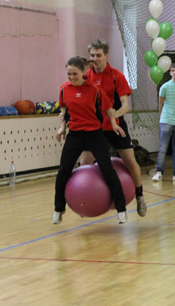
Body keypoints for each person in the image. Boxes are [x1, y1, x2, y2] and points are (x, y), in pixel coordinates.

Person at [53, 56, 128, 225]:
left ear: (83, 72)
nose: (72, 77)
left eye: (75, 74)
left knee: (107, 169)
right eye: (69, 74)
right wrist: (62, 128)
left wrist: (114, 124)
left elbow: (108, 109)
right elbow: (64, 110)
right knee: (63, 171)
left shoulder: (95, 90)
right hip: (75, 135)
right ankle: (58, 209)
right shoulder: (64, 89)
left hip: (94, 134)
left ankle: (121, 209)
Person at [82, 39, 147, 217]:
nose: (95, 59)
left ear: (106, 55)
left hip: (116, 126)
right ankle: (85, 199)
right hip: (94, 128)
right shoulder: (85, 77)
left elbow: (125, 106)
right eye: (92, 55)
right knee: (84, 162)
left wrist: (114, 116)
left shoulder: (117, 76)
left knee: (131, 162)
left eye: (99, 55)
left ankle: (140, 196)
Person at [153, 62, 175, 181]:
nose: (174, 72)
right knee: (163, 148)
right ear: (170, 73)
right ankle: (159, 172)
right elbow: (160, 103)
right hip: (166, 121)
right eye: (172, 70)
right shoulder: (165, 87)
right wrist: (161, 118)